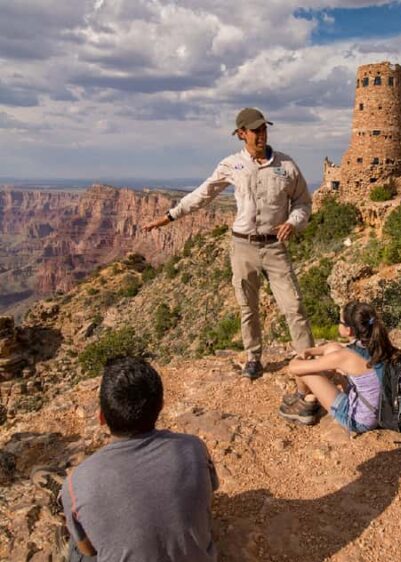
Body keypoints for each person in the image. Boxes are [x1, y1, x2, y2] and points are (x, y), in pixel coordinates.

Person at [143, 107, 315, 385]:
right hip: (242, 246)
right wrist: (170, 216)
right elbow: (203, 194)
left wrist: (294, 222)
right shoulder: (232, 164)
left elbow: (303, 202)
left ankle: (309, 366)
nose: (261, 134)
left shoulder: (286, 166)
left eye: (263, 129)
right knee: (248, 306)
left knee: (293, 306)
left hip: (274, 247)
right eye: (255, 130)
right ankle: (253, 357)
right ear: (241, 134)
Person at [60, 357, 219, 561]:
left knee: (76, 542)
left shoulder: (75, 483)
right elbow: (212, 490)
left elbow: (88, 550)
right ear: (161, 406)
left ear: (101, 417)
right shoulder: (194, 447)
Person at [279, 301, 401, 432]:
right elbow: (333, 348)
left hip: (357, 420)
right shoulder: (376, 344)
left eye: (340, 322)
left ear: (348, 330)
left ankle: (303, 403)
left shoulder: (345, 357)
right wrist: (310, 351)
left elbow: (294, 368)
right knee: (334, 350)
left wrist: (299, 357)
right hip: (380, 411)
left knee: (306, 371)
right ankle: (308, 397)